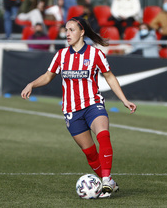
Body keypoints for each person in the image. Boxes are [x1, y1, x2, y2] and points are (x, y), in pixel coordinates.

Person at [21, 16, 137, 198]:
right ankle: (109, 182)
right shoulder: (61, 55)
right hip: (71, 111)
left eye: (71, 30)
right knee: (90, 154)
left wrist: (124, 99)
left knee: (103, 135)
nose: (67, 33)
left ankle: (105, 181)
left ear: (82, 32)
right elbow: (48, 76)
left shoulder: (95, 54)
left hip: (93, 104)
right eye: (66, 30)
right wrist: (32, 84)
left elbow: (110, 77)